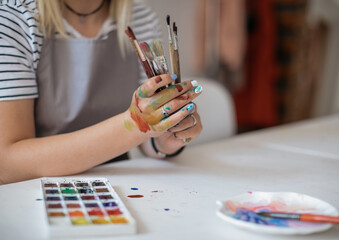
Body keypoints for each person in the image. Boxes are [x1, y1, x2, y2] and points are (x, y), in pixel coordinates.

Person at [0, 0, 203, 184]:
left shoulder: (140, 17)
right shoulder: (14, 18)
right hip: (40, 190)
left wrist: (164, 141)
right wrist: (135, 124)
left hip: (120, 182)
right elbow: (8, 164)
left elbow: (146, 142)